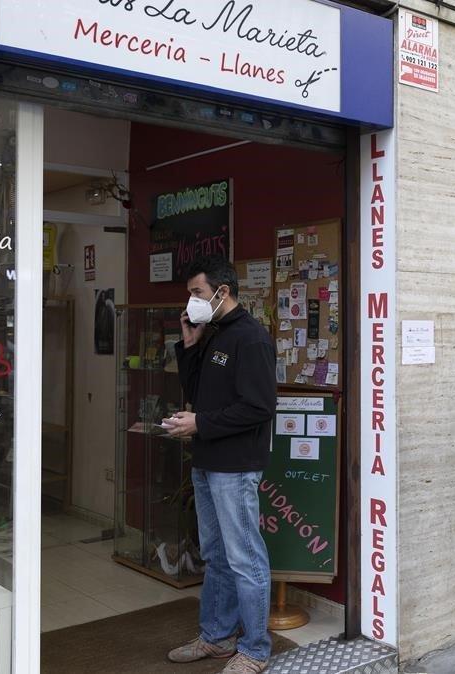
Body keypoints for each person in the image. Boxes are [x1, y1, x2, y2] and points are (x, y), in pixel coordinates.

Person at [165, 257, 277, 673]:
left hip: (236, 465)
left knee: (245, 557)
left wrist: (201, 423)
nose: (190, 301)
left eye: (196, 293)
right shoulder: (213, 335)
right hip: (207, 459)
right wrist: (190, 345)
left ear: (221, 292)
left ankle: (255, 649)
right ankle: (216, 637)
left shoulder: (251, 339)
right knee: (216, 555)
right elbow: (196, 390)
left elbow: (260, 407)